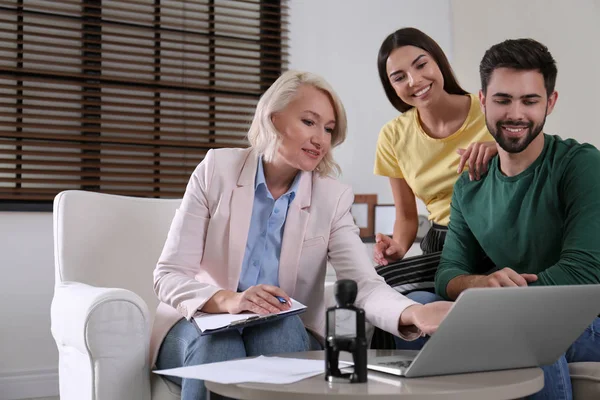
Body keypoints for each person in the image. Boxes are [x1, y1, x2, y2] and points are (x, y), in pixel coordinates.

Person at [150, 70, 453, 400]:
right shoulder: (217, 170)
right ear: (275, 119)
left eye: (329, 129)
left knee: (281, 330)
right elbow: (168, 276)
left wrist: (413, 313)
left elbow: (362, 283)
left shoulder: (331, 197)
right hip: (201, 322)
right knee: (219, 343)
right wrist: (231, 300)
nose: (321, 139)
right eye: (309, 122)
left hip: (278, 327)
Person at [435, 38, 600, 400]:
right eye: (503, 99)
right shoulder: (470, 185)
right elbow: (447, 274)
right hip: (514, 313)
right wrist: (482, 286)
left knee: (520, 333)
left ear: (550, 103)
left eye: (530, 100)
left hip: (589, 319)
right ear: (482, 101)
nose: (515, 113)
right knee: (419, 313)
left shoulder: (581, 165)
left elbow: (583, 271)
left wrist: (501, 309)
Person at [372, 27, 496, 295]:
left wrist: (502, 149)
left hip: (498, 239)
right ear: (391, 87)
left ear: (438, 61)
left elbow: (538, 155)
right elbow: (406, 217)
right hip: (443, 245)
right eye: (399, 77)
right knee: (375, 287)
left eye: (421, 65)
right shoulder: (393, 136)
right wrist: (397, 247)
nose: (414, 80)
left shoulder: (490, 109)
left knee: (377, 286)